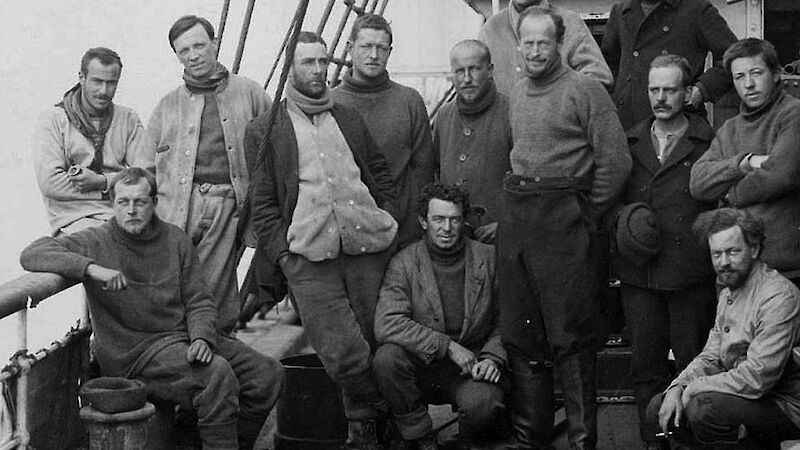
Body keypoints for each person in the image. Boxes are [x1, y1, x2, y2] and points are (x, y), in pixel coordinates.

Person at [19, 167, 283, 450]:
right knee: (216, 376)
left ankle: (205, 442)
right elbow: (33, 253)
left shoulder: (175, 240)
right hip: (135, 353)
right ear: (113, 205)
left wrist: (202, 337)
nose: (131, 210)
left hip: (181, 340)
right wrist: (91, 269)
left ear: (154, 203)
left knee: (267, 374)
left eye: (140, 202)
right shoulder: (95, 241)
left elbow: (199, 300)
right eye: (123, 202)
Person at [249, 31, 400, 449]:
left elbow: (378, 170)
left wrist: (386, 214)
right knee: (344, 353)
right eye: (307, 63)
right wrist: (283, 257)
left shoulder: (347, 116)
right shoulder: (266, 128)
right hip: (308, 257)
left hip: (367, 248)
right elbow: (262, 204)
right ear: (290, 68)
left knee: (373, 340)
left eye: (322, 62)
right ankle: (400, 412)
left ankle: (364, 432)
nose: (316, 71)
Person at [498, 7, 631, 449]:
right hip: (520, 220)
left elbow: (615, 162)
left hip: (567, 225)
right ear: (519, 45)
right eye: (528, 42)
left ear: (560, 45)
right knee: (522, 332)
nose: (535, 51)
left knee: (571, 340)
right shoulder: (516, 92)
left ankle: (580, 441)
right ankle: (531, 436)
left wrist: (584, 212)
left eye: (544, 43)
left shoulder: (585, 89)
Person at [609, 55, 717, 449]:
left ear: (686, 91)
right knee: (645, 368)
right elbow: (612, 200)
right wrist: (628, 224)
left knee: (692, 365)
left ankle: (688, 442)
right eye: (654, 89)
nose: (660, 97)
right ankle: (653, 442)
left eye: (670, 89)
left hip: (689, 275)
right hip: (641, 274)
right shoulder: (630, 139)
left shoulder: (707, 141)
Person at [146, 15, 271, 333]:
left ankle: (214, 349)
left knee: (215, 286)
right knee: (171, 283)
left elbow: (277, 143)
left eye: (199, 45)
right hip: (176, 206)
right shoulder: (167, 105)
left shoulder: (249, 93)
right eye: (184, 50)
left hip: (226, 203)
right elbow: (144, 165)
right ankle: (177, 349)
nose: (193, 55)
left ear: (215, 44)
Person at [644, 208, 800, 449]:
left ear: (754, 249)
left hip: (783, 405)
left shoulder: (778, 296)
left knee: (704, 409)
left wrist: (695, 388)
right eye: (716, 254)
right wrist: (678, 386)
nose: (724, 262)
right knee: (659, 406)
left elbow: (758, 377)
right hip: (739, 395)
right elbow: (711, 357)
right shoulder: (728, 292)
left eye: (732, 252)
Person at [373, 183, 507, 449]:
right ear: (424, 221)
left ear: (463, 221)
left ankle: (471, 436)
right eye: (438, 219)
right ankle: (418, 434)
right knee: (387, 358)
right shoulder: (404, 263)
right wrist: (447, 346)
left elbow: (509, 318)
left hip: (470, 368)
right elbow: (387, 323)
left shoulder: (489, 259)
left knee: (483, 407)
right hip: (421, 367)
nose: (447, 228)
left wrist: (494, 357)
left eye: (454, 219)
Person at [690, 38, 800, 284]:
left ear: (776, 74)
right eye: (739, 77)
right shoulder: (730, 129)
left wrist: (729, 196)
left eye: (756, 73)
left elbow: (781, 174)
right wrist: (744, 164)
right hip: (734, 273)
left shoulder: (792, 114)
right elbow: (698, 183)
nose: (748, 84)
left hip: (782, 270)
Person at [331, 13, 434, 248]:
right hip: (348, 232)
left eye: (381, 48)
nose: (374, 55)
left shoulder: (409, 101)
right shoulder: (331, 103)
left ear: (390, 51)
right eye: (366, 46)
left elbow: (423, 170)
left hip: (402, 231)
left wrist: (413, 223)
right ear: (349, 48)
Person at [33, 47, 149, 235]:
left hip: (125, 214)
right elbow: (51, 183)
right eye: (97, 81)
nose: (104, 91)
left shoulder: (128, 118)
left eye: (111, 83)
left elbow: (147, 173)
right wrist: (112, 188)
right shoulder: (53, 120)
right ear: (82, 77)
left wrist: (103, 182)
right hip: (74, 221)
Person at [601, 0, 738, 130]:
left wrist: (702, 89)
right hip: (629, 124)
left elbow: (734, 57)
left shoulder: (696, 8)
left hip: (683, 125)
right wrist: (619, 97)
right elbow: (608, 64)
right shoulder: (620, 11)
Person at [432, 40, 511, 245]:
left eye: (475, 69)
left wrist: (507, 224)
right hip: (455, 241)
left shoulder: (512, 113)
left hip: (500, 240)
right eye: (459, 71)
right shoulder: (444, 116)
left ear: (490, 70)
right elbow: (436, 173)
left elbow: (527, 180)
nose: (467, 79)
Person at [477, 0, 612, 97]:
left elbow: (599, 78)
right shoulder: (491, 29)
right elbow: (478, 87)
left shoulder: (570, 22)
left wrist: (558, 105)